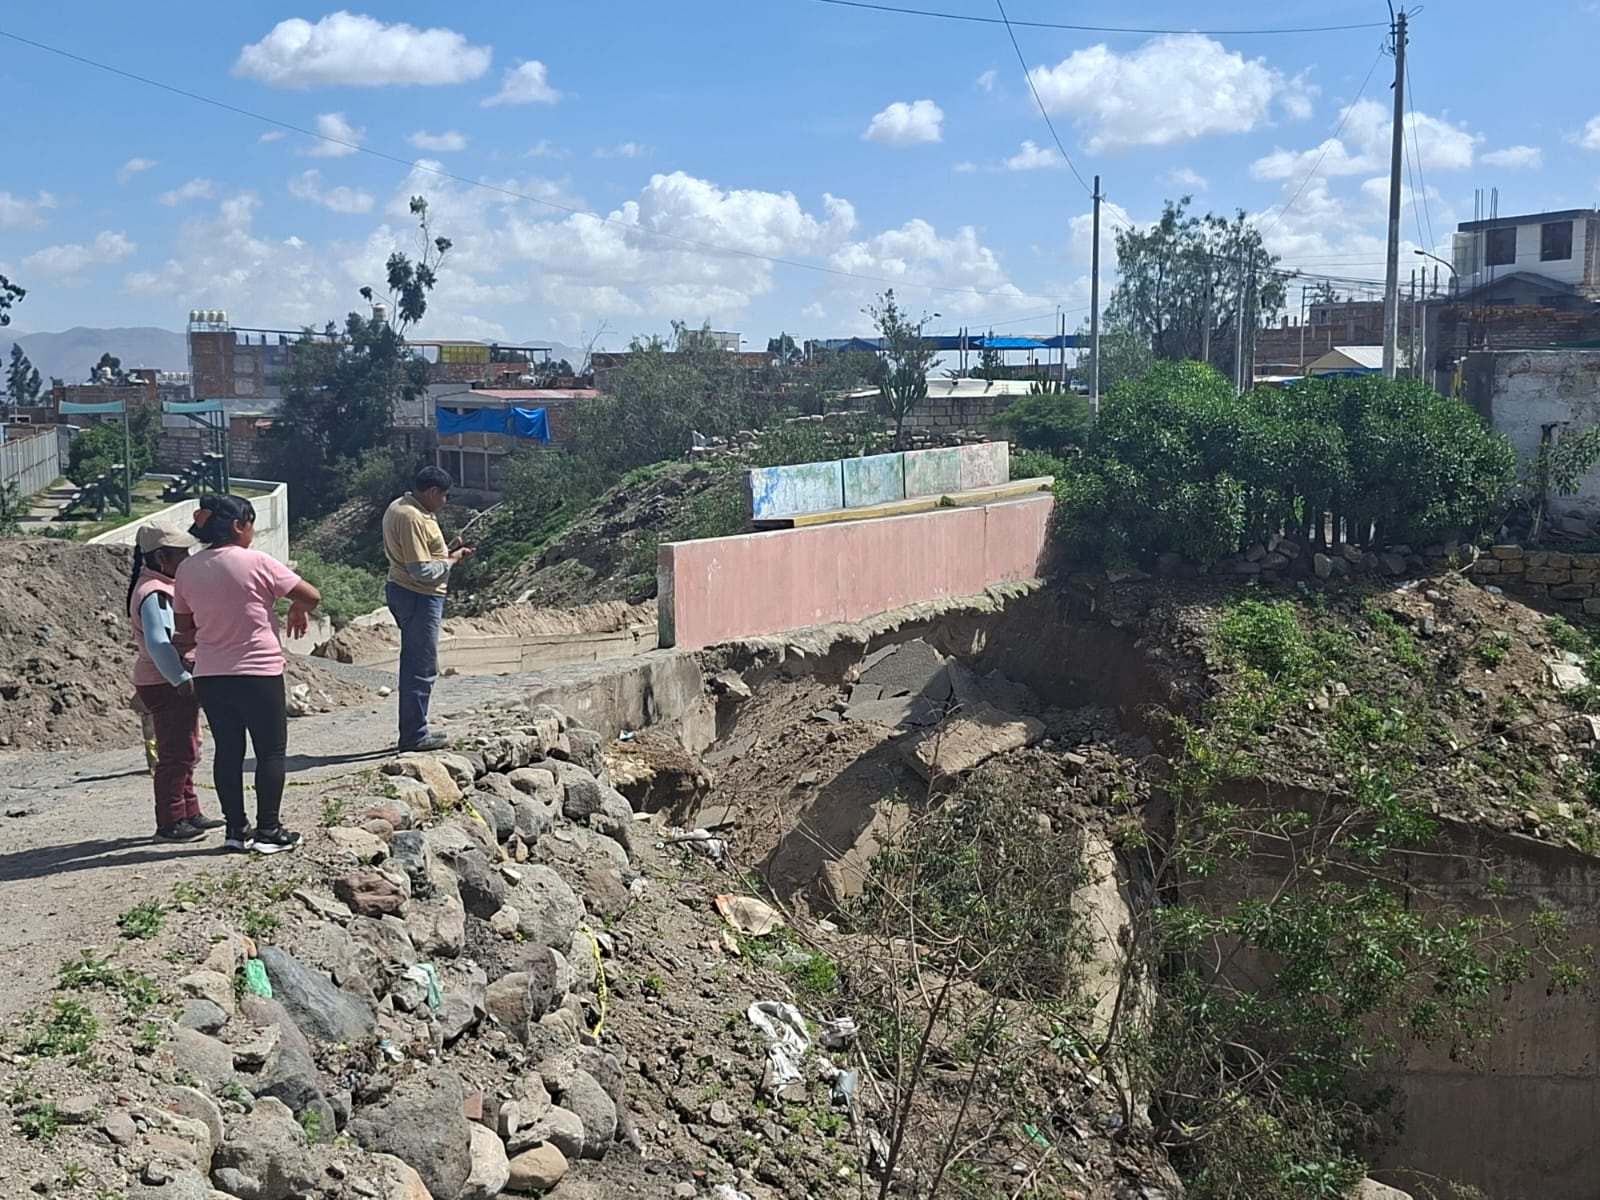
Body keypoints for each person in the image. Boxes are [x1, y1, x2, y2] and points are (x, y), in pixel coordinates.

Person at [174, 495, 321, 854]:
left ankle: (236, 831)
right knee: (270, 751)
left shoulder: (187, 569)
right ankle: (269, 830)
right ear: (239, 526)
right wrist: (297, 608)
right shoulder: (257, 562)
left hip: (210, 673)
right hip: (258, 670)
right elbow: (312, 596)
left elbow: (184, 628)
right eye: (251, 524)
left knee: (228, 751)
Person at [127, 518, 225, 842]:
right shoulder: (153, 593)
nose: (186, 560)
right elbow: (158, 642)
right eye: (179, 554)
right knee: (175, 753)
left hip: (169, 679)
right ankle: (170, 821)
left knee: (188, 747)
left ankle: (189, 811)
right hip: (164, 681)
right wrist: (180, 678)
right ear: (160, 558)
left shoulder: (159, 587)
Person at [382, 465, 474, 751]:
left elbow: (422, 555)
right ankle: (414, 735)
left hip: (409, 591)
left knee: (418, 662)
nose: (445, 502)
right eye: (444, 496)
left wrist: (445, 551)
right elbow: (421, 570)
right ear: (432, 491)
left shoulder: (402, 507)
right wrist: (454, 560)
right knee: (419, 666)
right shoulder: (411, 517)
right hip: (418, 595)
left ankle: (415, 730)